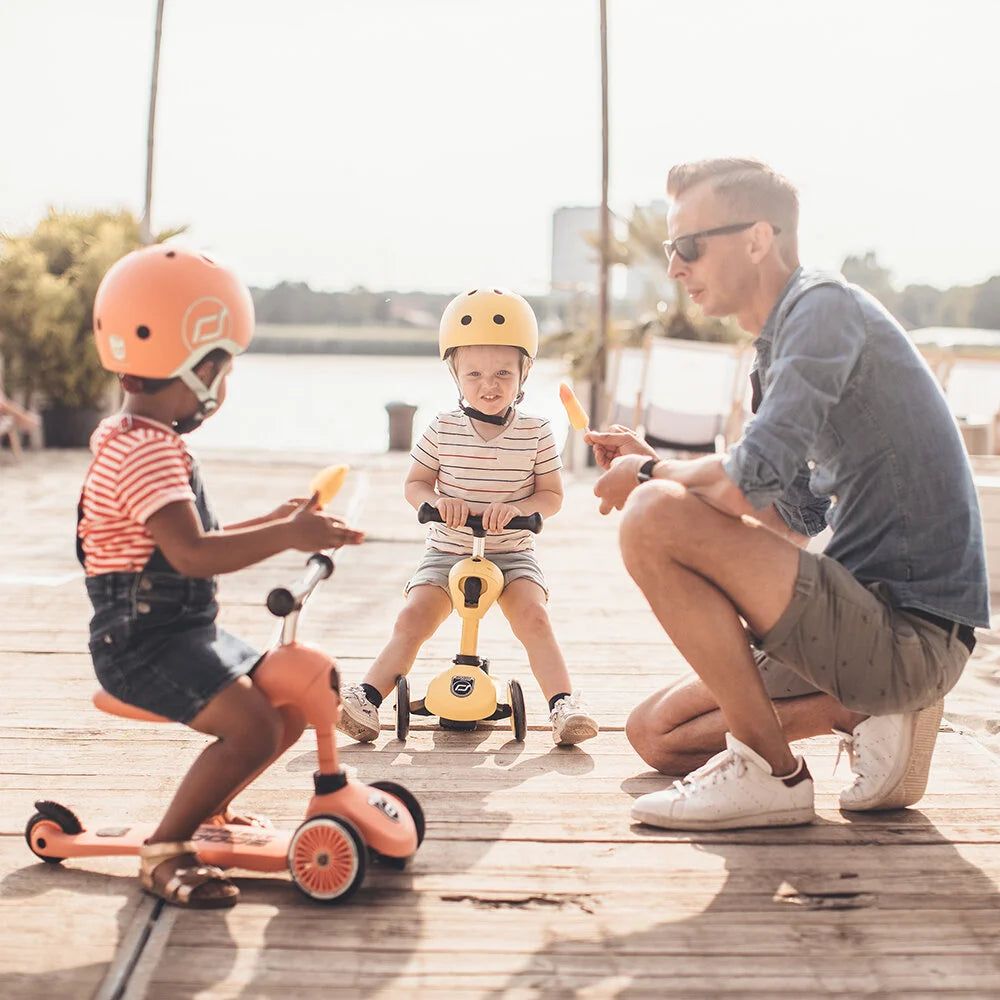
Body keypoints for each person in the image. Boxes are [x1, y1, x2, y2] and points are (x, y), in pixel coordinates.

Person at [586, 158, 989, 831]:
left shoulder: (823, 307)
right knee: (655, 736)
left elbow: (745, 481)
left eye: (688, 246)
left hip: (911, 630)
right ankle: (853, 712)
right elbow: (785, 525)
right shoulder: (775, 352)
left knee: (651, 514)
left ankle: (772, 775)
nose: (675, 268)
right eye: (670, 250)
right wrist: (657, 465)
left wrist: (653, 481)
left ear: (756, 239)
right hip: (853, 614)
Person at [78, 245, 364, 907]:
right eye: (224, 369)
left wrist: (273, 519)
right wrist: (287, 536)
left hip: (181, 632)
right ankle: (165, 850)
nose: (224, 386)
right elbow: (191, 557)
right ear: (196, 366)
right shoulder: (145, 452)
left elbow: (194, 542)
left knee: (283, 707)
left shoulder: (140, 438)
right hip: (142, 643)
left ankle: (212, 807)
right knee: (256, 728)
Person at [338, 287, 598, 746]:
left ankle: (563, 704)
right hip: (447, 548)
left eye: (502, 372)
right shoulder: (441, 427)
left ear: (525, 373)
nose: (489, 384)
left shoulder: (537, 431)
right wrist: (438, 504)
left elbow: (551, 495)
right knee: (413, 617)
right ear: (455, 374)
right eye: (474, 373)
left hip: (512, 553)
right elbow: (415, 484)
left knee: (534, 618)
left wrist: (520, 510)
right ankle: (369, 697)